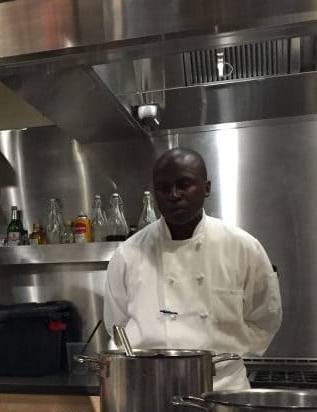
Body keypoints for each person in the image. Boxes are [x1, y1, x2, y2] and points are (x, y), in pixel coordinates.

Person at [103, 147, 282, 390]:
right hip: (153, 393)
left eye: (184, 184)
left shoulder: (242, 247)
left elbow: (265, 316)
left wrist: (227, 355)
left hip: (223, 391)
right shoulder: (128, 254)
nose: (174, 195)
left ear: (206, 188)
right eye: (164, 188)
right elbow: (117, 325)